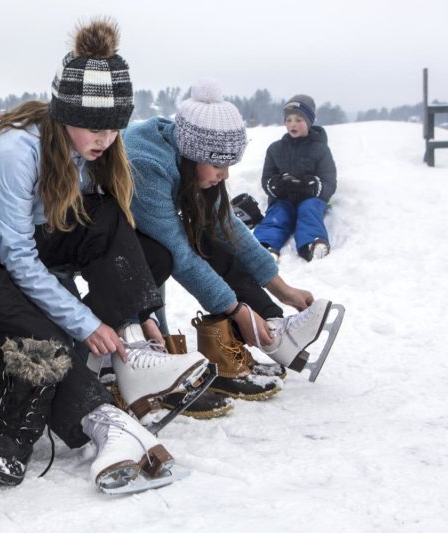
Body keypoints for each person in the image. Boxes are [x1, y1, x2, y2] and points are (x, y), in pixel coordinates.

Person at [0, 18, 206, 494]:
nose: (103, 138)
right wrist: (84, 322)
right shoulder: (13, 152)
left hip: (23, 238)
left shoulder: (88, 150)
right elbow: (17, 257)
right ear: (64, 113)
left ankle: (123, 361)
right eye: (92, 126)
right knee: (52, 335)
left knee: (129, 232)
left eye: (113, 128)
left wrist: (145, 314)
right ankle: (102, 421)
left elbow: (101, 232)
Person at [123, 80, 338, 400]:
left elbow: (228, 226)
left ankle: (274, 329)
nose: (224, 175)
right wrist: (237, 310)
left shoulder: (187, 149)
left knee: (209, 233)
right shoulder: (146, 163)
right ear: (195, 155)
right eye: (219, 165)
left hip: (142, 237)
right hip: (94, 237)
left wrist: (282, 290)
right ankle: (148, 357)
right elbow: (178, 256)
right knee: (163, 254)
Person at [254, 94, 338, 261]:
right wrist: (278, 185)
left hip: (310, 198)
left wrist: (313, 186)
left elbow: (330, 182)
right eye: (289, 120)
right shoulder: (275, 149)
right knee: (277, 215)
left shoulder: (320, 149)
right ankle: (264, 246)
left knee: (308, 211)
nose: (293, 124)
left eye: (299, 119)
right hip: (284, 198)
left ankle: (312, 243)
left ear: (309, 122)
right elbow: (267, 179)